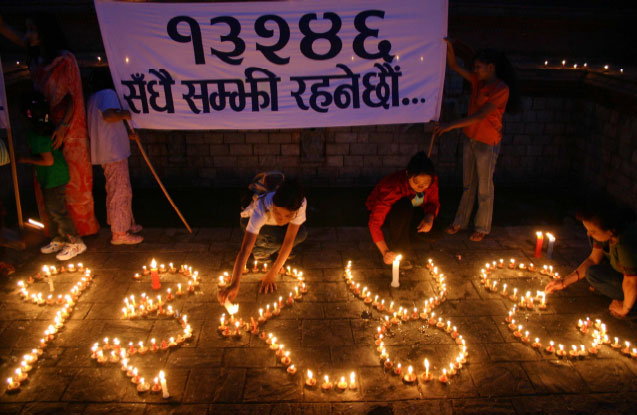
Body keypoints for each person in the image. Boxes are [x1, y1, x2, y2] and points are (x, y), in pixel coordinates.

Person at [0, 13, 99, 236]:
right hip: (43, 128)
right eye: (27, 29)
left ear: (45, 33)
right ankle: (58, 234)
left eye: (33, 30)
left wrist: (62, 127)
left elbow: (71, 97)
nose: (28, 35)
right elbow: (21, 39)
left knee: (69, 182)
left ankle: (76, 234)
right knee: (49, 183)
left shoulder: (63, 61)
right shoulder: (37, 60)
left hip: (66, 130)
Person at [435, 39, 519, 242]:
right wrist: (449, 47)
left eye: (479, 67)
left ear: (491, 67)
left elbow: (481, 115)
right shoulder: (477, 82)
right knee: (468, 184)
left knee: (484, 186)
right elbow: (454, 66)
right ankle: (460, 221)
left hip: (487, 142)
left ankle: (482, 226)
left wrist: (451, 125)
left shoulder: (501, 89)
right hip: (470, 138)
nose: (475, 70)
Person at [218, 177, 308, 304]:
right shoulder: (262, 208)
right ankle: (261, 252)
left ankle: (272, 247)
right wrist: (234, 283)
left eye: (288, 216)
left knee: (301, 233)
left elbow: (289, 241)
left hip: (273, 227)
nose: (281, 219)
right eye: (277, 212)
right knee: (275, 240)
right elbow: (245, 249)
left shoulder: (300, 203)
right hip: (249, 221)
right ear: (273, 205)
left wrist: (272, 274)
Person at [18, 93, 86, 260]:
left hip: (54, 177)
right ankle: (59, 239)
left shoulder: (39, 134)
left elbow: (48, 161)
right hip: (50, 177)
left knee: (58, 211)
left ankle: (75, 242)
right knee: (51, 211)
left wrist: (26, 159)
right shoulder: (43, 129)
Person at [545, 202, 637, 319]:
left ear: (611, 230)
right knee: (593, 273)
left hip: (633, 280)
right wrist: (564, 282)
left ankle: (633, 305)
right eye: (587, 229)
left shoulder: (626, 243)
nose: (588, 233)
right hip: (624, 274)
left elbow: (631, 282)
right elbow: (593, 260)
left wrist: (625, 309)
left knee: (596, 277)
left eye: (593, 231)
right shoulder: (606, 234)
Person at [87, 68, 143, 245]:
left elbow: (106, 127)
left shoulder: (93, 98)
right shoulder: (107, 94)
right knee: (120, 192)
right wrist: (125, 114)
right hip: (113, 153)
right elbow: (109, 116)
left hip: (108, 152)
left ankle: (123, 224)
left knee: (117, 190)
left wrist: (127, 135)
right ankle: (119, 233)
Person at [366, 152, 440, 269]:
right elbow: (374, 223)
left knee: (435, 231)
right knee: (404, 206)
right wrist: (385, 252)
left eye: (425, 183)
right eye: (416, 182)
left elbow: (433, 202)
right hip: (391, 211)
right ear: (407, 174)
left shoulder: (432, 181)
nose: (421, 187)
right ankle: (398, 249)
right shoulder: (392, 187)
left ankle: (407, 237)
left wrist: (429, 217)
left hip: (413, 207)